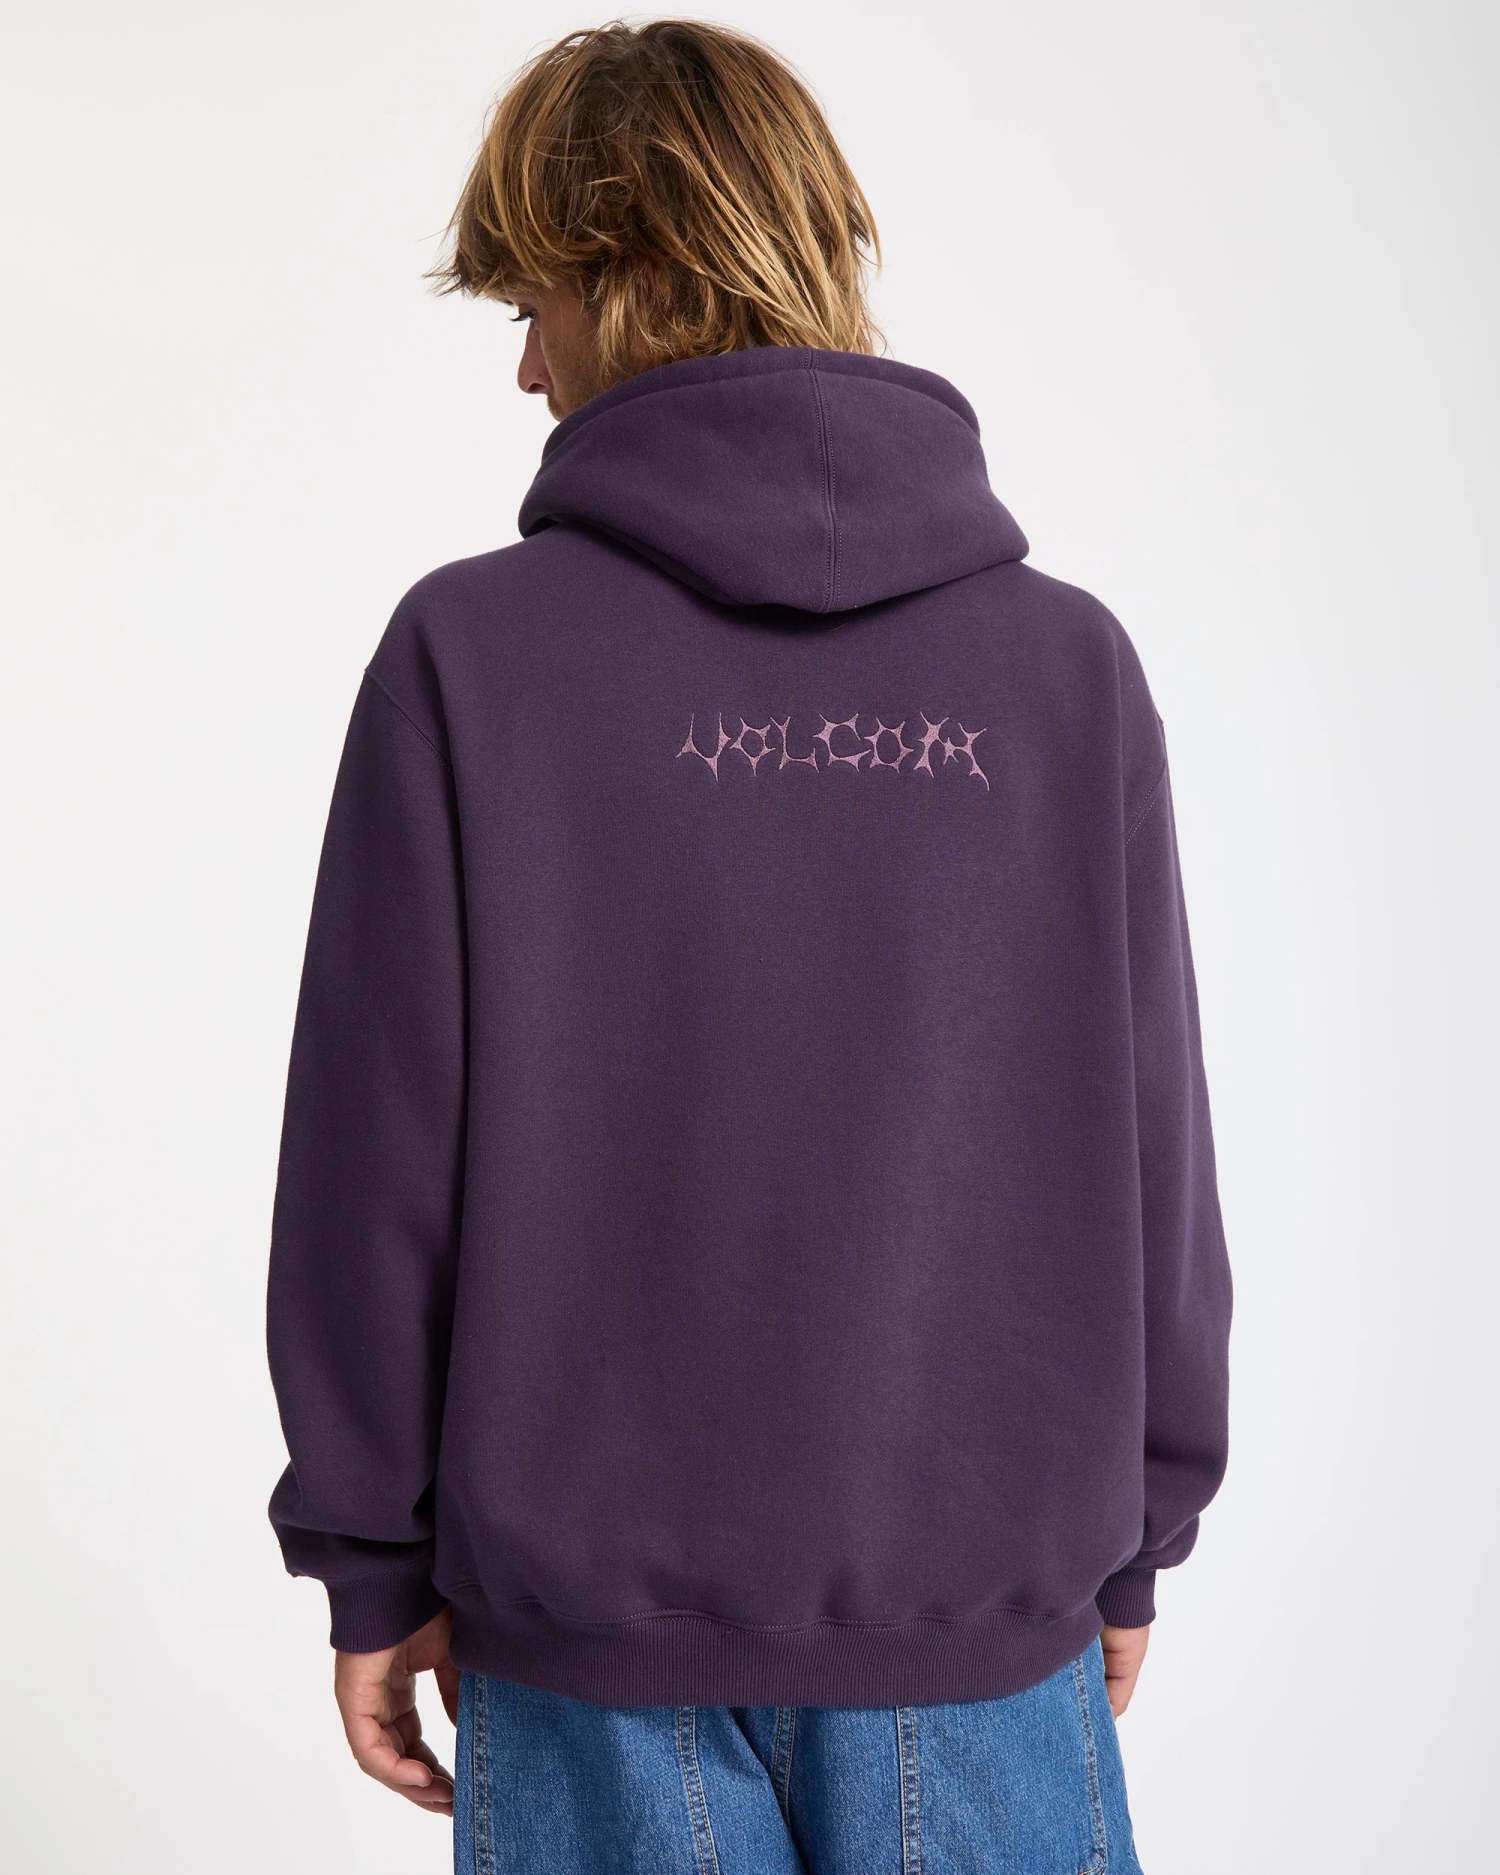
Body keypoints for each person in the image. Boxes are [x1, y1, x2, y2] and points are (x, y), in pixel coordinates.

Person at [265, 19, 1232, 1871]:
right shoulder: (1065, 672)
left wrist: (371, 1556)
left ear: (630, 270)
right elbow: (1155, 1157)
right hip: (982, 1636)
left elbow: (374, 1165)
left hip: (586, 1650)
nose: (527, 366)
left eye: (532, 304)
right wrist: (1132, 1536)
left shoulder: (472, 659)